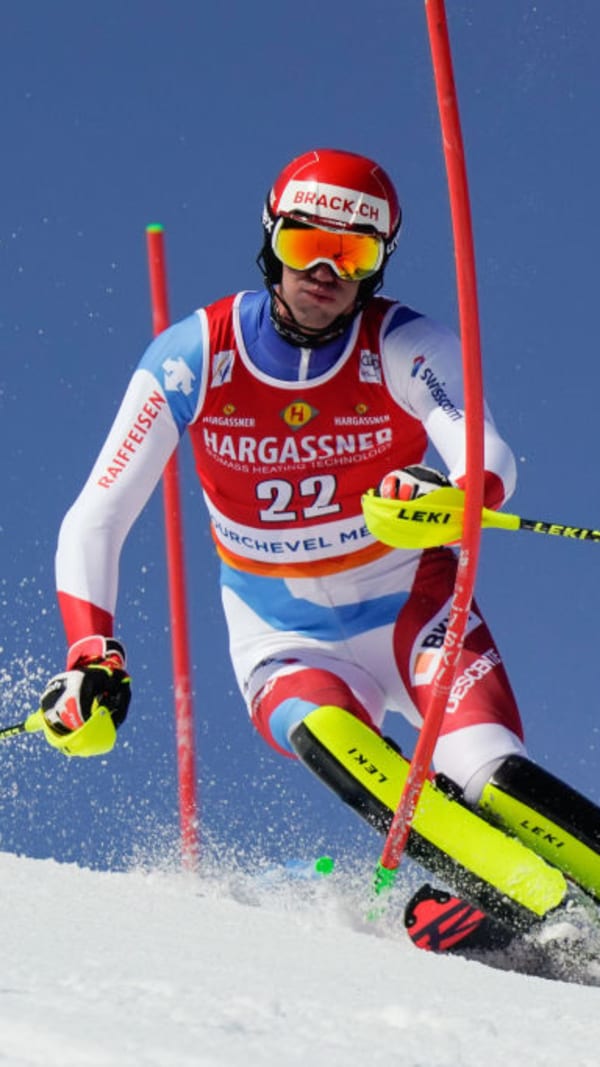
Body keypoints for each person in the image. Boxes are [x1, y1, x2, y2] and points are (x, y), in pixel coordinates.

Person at [40, 148, 600, 940]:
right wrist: (91, 651)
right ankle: (545, 915)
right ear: (270, 241)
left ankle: (535, 900)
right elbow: (96, 515)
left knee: (490, 777)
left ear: (379, 263)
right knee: (341, 744)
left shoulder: (403, 343)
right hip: (284, 636)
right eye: (306, 244)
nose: (326, 272)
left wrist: (451, 496)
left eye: (354, 254)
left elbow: (487, 455)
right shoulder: (194, 355)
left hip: (416, 609)